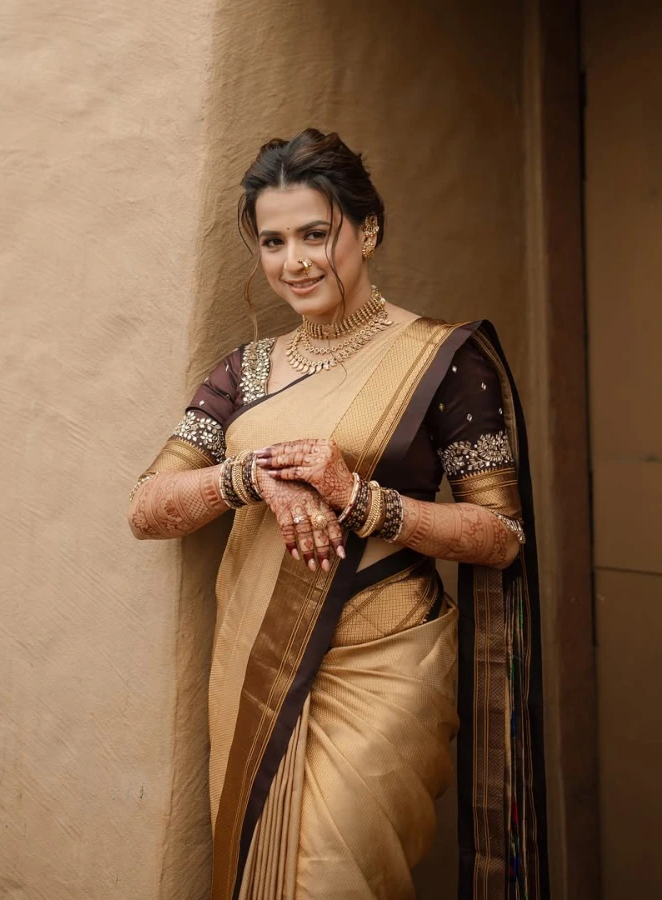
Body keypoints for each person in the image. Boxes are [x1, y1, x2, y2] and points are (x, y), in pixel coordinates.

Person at [127, 129, 549, 900]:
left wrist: (364, 501)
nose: (295, 262)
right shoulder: (246, 371)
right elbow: (149, 507)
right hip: (257, 669)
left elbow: (501, 535)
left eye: (316, 235)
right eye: (274, 240)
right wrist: (249, 476)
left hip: (382, 670)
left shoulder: (442, 361)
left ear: (368, 231)